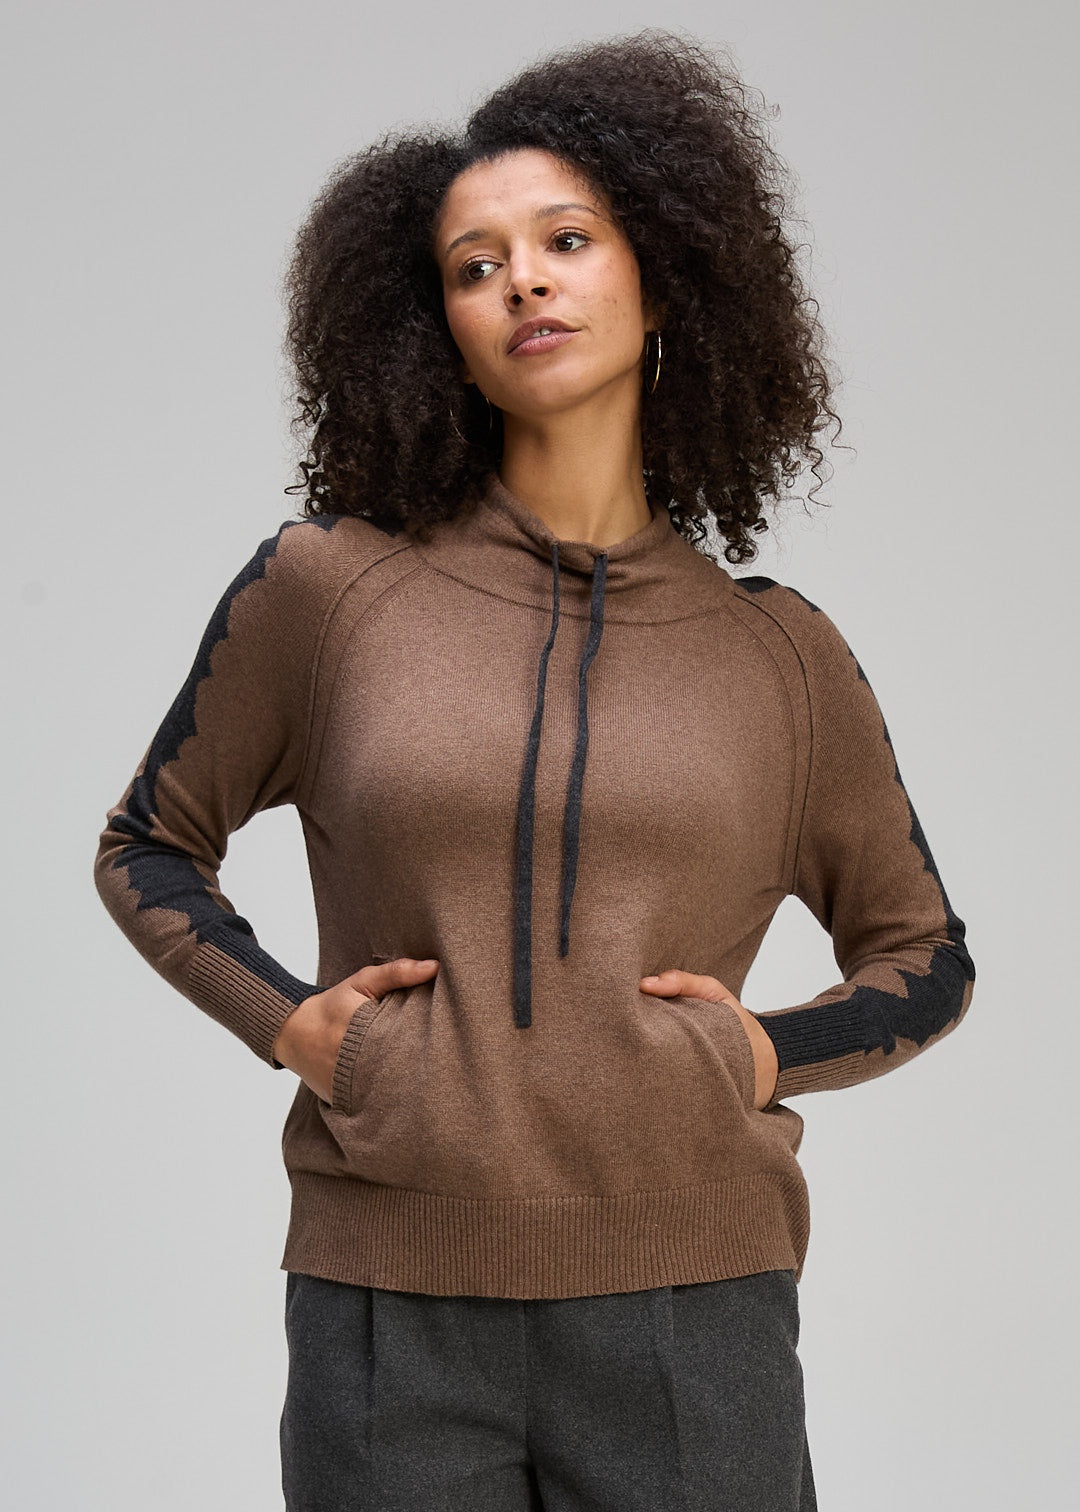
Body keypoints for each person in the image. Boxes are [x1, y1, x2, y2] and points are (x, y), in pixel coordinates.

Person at [93, 28, 976, 1512]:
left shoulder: (780, 652)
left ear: (665, 279)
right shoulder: (329, 591)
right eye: (474, 264)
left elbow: (926, 954)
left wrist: (758, 1056)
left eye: (568, 240)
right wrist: (295, 1027)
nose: (523, 282)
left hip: (698, 1311)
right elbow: (146, 844)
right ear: (434, 327)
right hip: (391, 1305)